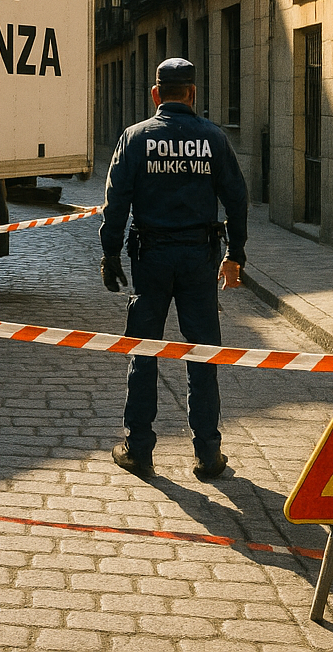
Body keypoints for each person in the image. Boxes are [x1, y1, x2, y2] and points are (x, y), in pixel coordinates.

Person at [98, 57, 250, 479]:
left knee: (143, 350)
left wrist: (110, 253)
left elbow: (116, 202)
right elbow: (237, 199)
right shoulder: (213, 138)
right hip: (199, 259)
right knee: (202, 353)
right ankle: (207, 454)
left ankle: (138, 448)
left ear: (156, 94)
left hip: (150, 258)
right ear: (193, 94)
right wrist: (235, 255)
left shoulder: (135, 138)